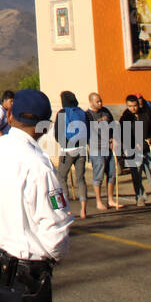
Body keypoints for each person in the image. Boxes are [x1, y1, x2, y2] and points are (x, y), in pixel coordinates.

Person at [0, 90, 74, 302]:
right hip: (25, 276)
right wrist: (51, 260)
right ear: (46, 126)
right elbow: (55, 226)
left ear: (10, 116)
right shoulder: (38, 165)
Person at [53, 91, 88, 219]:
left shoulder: (62, 113)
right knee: (81, 179)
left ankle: (67, 209)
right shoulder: (82, 112)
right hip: (82, 149)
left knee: (61, 177)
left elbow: (57, 134)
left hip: (68, 150)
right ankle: (83, 209)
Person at [119, 94, 151, 206]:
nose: (133, 108)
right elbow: (124, 136)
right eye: (130, 106)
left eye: (134, 106)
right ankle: (140, 197)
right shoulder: (125, 117)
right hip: (133, 150)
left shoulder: (146, 114)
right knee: (136, 175)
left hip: (147, 149)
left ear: (138, 104)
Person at [86, 92, 121, 210]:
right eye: (97, 101)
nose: (100, 103)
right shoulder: (87, 115)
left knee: (112, 174)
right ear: (91, 102)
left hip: (109, 147)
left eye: (101, 100)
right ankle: (98, 201)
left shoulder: (106, 111)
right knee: (98, 175)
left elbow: (113, 126)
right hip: (97, 149)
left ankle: (110, 199)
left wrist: (114, 138)